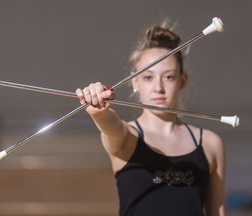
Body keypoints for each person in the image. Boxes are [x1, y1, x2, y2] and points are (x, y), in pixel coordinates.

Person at [76, 23, 226, 216]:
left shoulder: (210, 144)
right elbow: (111, 126)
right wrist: (99, 110)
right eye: (148, 77)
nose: (158, 88)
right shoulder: (128, 137)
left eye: (169, 77)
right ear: (134, 82)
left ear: (183, 80)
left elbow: (218, 212)